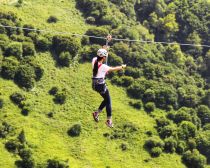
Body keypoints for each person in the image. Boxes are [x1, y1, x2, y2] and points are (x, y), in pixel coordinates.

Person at [92, 36, 126, 128]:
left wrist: (107, 41)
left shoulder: (94, 60)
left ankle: (97, 113)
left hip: (95, 85)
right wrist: (122, 67)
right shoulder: (104, 67)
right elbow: (114, 69)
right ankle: (108, 120)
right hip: (101, 85)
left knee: (106, 100)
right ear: (103, 57)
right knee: (108, 100)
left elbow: (102, 51)